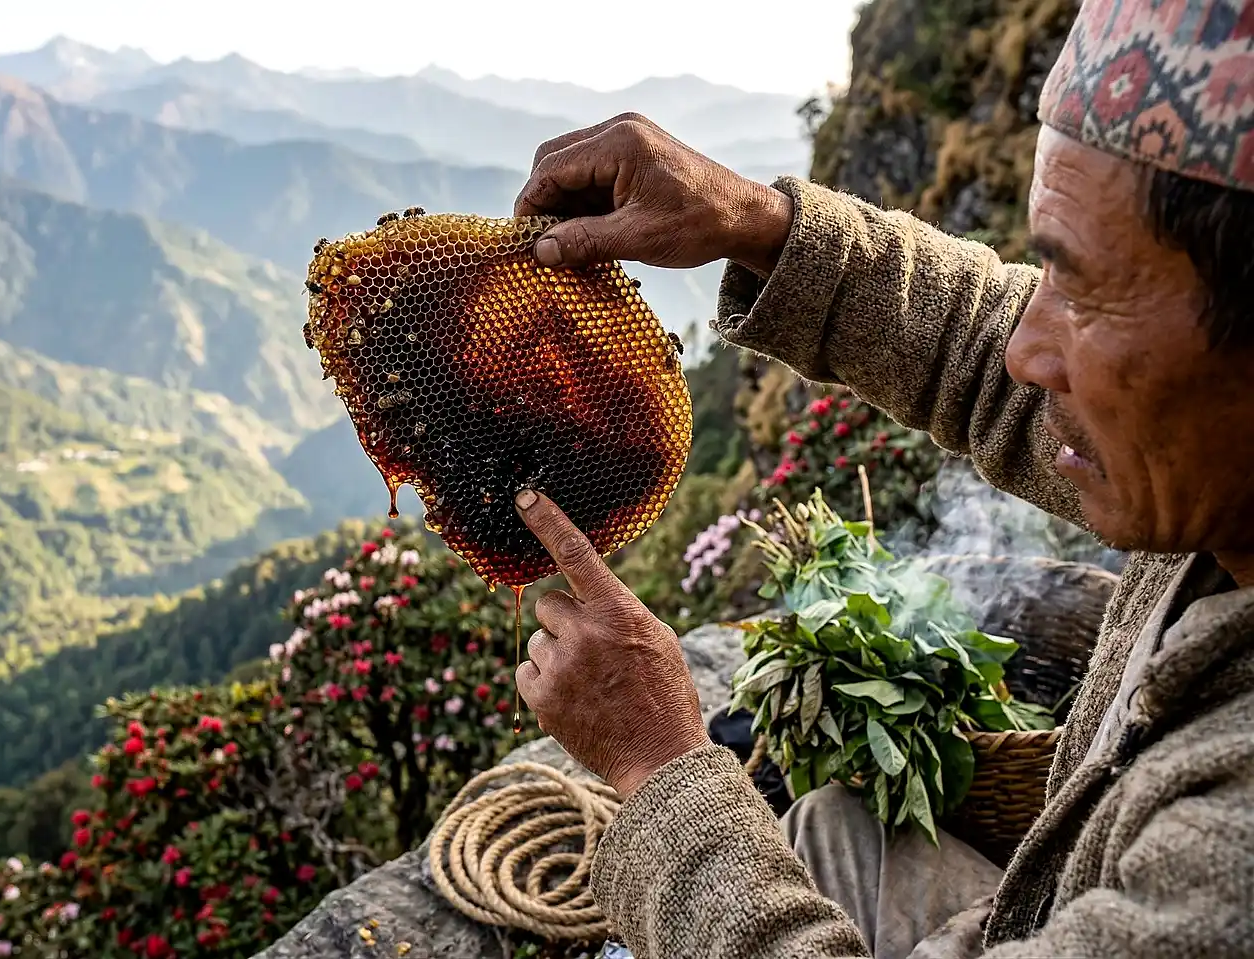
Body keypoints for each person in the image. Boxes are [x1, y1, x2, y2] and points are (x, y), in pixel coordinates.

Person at [506, 2, 1254, 957]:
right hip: (1036, 906)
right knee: (828, 826)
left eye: (1084, 290)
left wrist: (660, 770)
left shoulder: (1228, 869)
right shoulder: (1209, 471)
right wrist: (760, 223)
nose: (1029, 350)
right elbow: (986, 351)